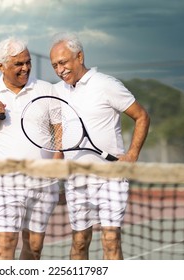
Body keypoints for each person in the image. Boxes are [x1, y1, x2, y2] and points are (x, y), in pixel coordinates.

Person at [49, 32, 150, 260]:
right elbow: (59, 131)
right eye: (55, 65)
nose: (59, 69)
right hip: (76, 179)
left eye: (63, 62)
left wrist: (133, 153)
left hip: (111, 178)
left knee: (111, 241)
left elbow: (142, 116)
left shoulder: (106, 84)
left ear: (80, 56)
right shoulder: (56, 91)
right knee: (79, 242)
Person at [0, 37, 60, 260]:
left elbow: (60, 129)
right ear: (1, 66)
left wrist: (58, 157)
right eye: (18, 64)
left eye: (27, 62)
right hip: (3, 185)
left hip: (44, 183)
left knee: (34, 248)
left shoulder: (47, 90)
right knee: (5, 246)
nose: (25, 67)